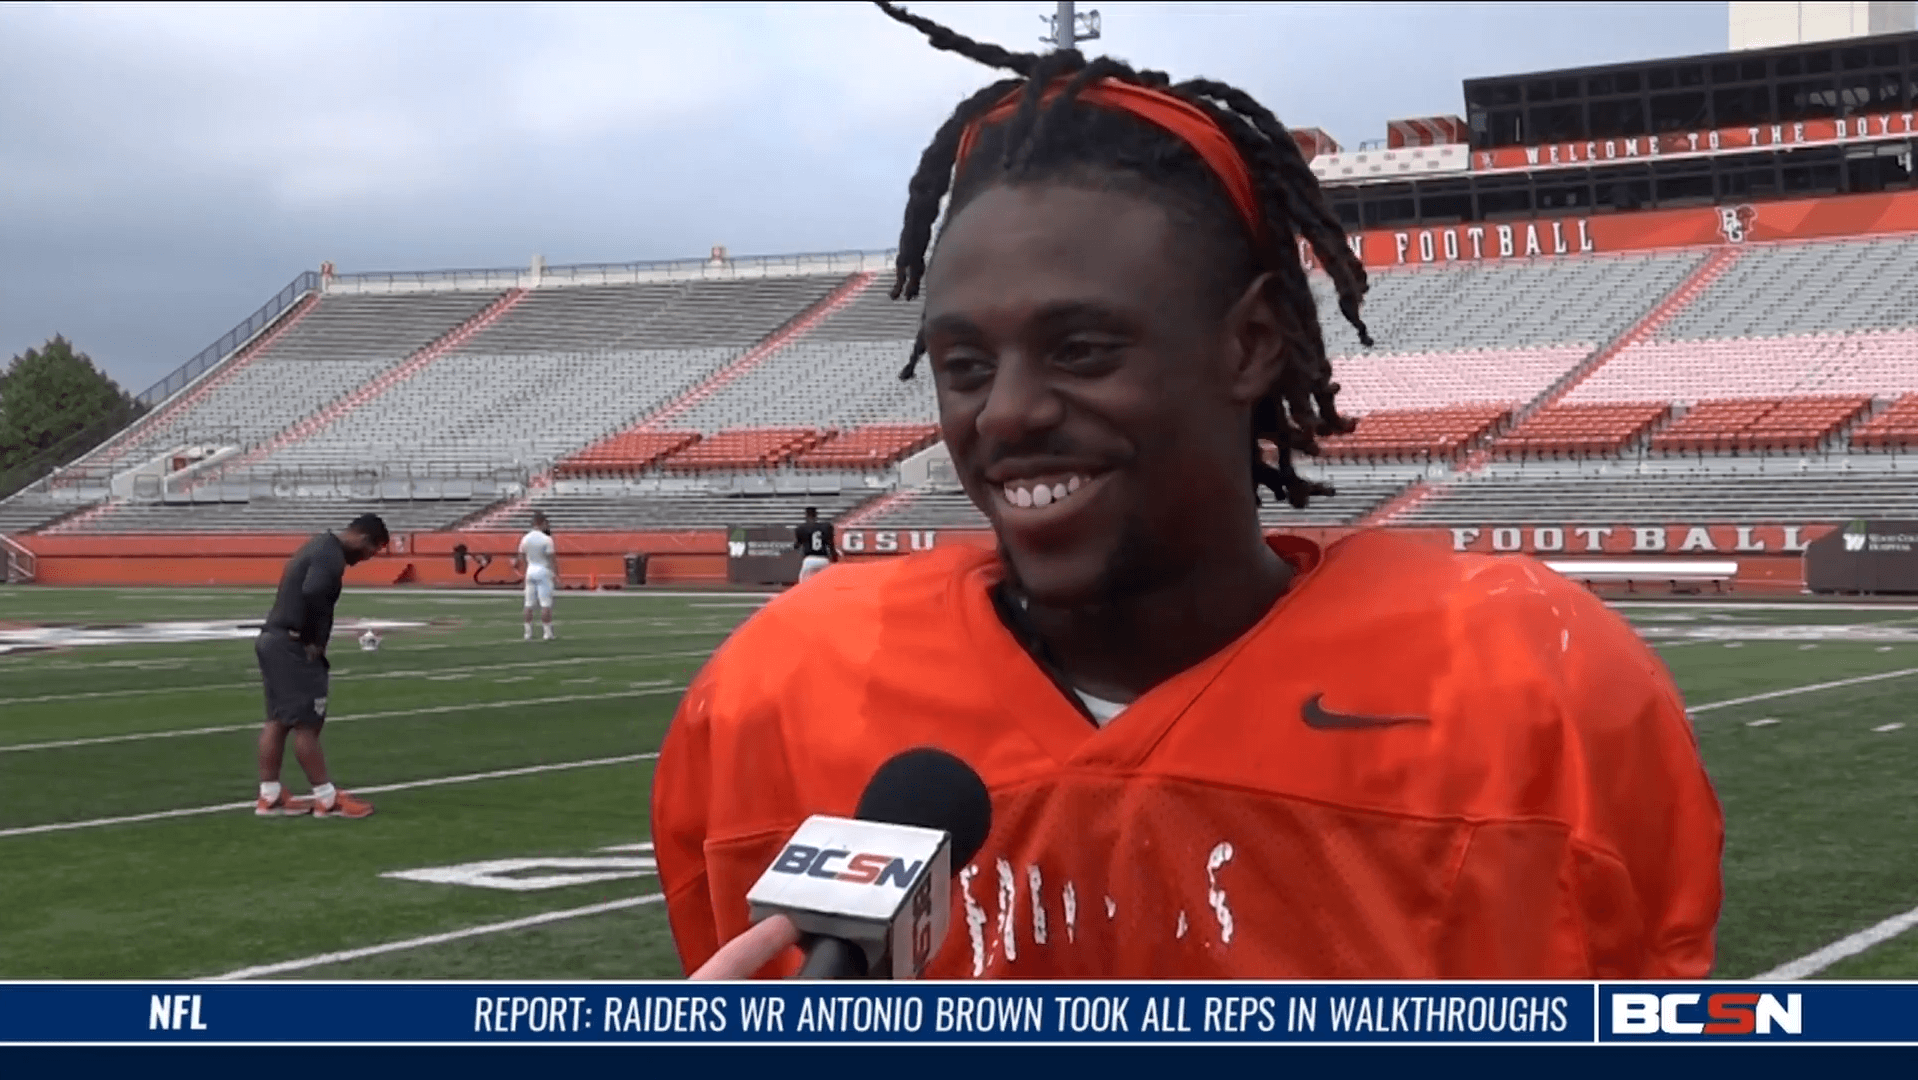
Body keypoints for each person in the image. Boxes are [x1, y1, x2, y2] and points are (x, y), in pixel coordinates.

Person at [654, 4, 1723, 980]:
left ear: (1251, 343)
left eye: (1080, 348)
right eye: (964, 366)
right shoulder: (780, 696)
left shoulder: (1531, 695)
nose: (1008, 414)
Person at [255, 513, 389, 820]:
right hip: (292, 644)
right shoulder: (331, 555)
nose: (367, 558)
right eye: (372, 551)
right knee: (307, 723)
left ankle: (270, 796)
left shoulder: (319, 546)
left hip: (273, 639)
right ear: (363, 539)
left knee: (278, 720)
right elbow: (315, 591)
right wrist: (314, 639)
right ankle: (327, 800)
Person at [517, 511, 559, 641]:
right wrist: (556, 574)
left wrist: (525, 568)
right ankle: (547, 633)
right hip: (543, 570)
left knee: (528, 604)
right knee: (545, 603)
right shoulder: (546, 539)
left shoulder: (526, 538)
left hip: (531, 569)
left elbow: (521, 555)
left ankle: (527, 633)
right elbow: (552, 558)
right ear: (541, 523)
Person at [792, 506, 838, 583]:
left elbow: (798, 545)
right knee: (824, 585)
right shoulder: (826, 527)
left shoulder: (801, 528)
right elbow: (831, 544)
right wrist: (834, 558)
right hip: (824, 560)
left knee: (803, 587)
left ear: (806, 515)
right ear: (816, 515)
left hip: (809, 559)